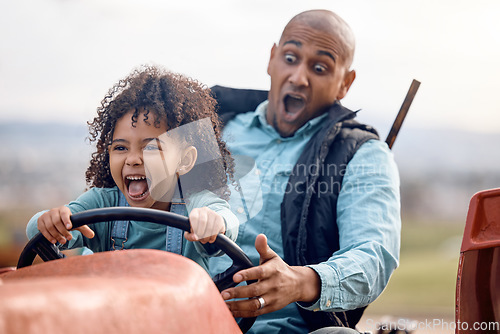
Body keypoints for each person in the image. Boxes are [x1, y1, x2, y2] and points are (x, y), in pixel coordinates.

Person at [208, 9, 401, 333]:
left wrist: (301, 281)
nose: (299, 77)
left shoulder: (362, 154)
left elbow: (374, 256)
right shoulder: (211, 128)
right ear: (271, 59)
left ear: (345, 83)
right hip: (180, 315)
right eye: (290, 57)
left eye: (320, 67)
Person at [26, 65, 239, 272]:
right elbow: (35, 230)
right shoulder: (102, 205)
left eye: (151, 147)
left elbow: (226, 222)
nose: (133, 159)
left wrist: (213, 223)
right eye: (120, 147)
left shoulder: (196, 205)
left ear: (184, 160)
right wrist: (51, 222)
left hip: (177, 309)